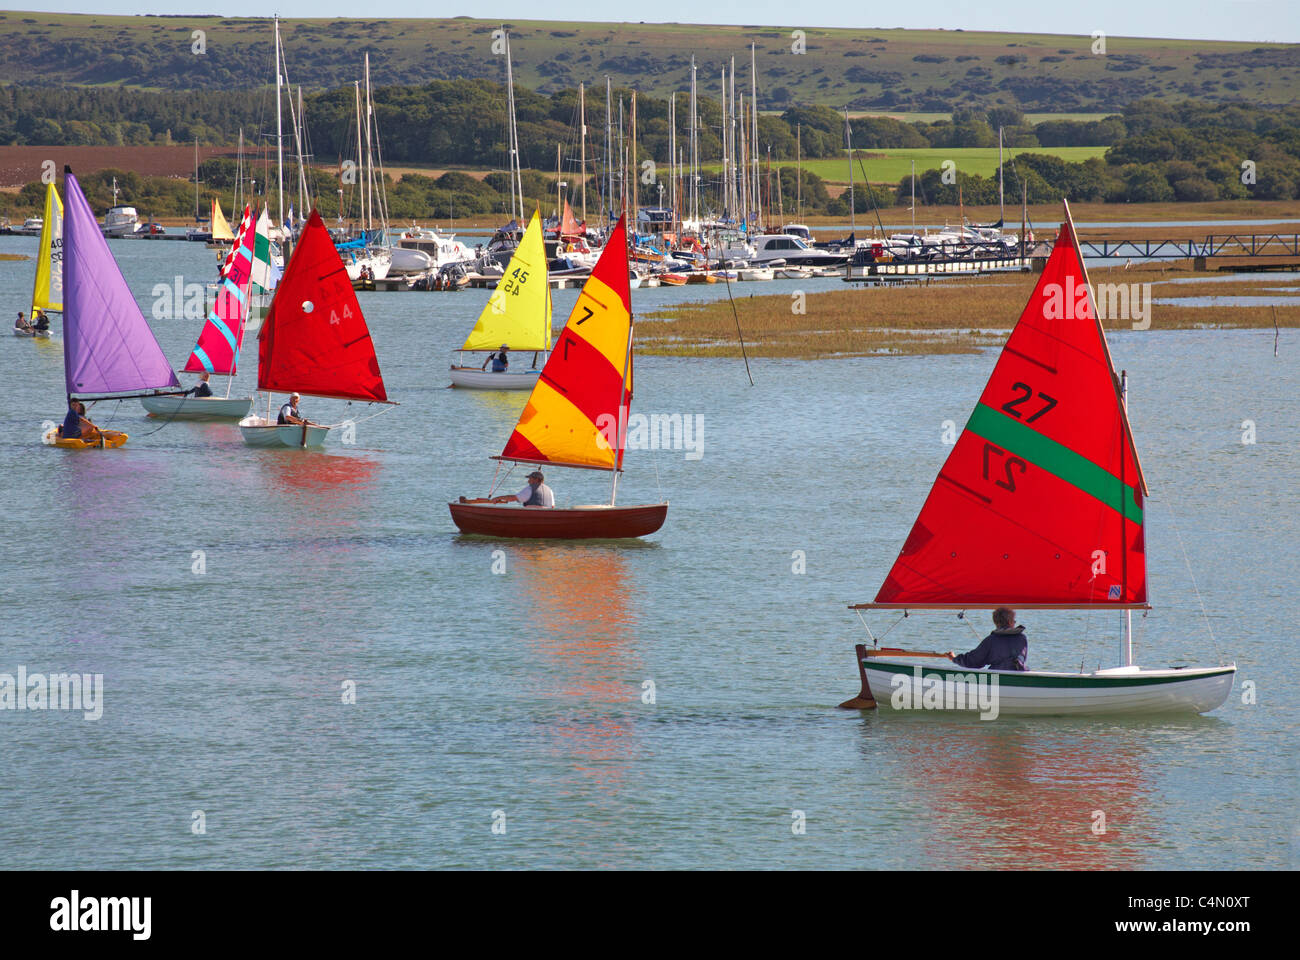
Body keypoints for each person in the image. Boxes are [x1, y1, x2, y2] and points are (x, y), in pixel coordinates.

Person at [947, 608, 1028, 671]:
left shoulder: (991, 641)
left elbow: (972, 661)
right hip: (1020, 674)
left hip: (998, 677)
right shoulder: (1022, 638)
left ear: (995, 622)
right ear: (1010, 622)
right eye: (1014, 621)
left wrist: (954, 658)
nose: (1014, 623)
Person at [488, 470, 554, 508]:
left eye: (530, 479)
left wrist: (497, 498)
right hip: (546, 516)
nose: (528, 481)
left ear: (536, 480)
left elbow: (513, 498)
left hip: (533, 517)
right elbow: (552, 506)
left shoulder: (529, 489)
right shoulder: (549, 490)